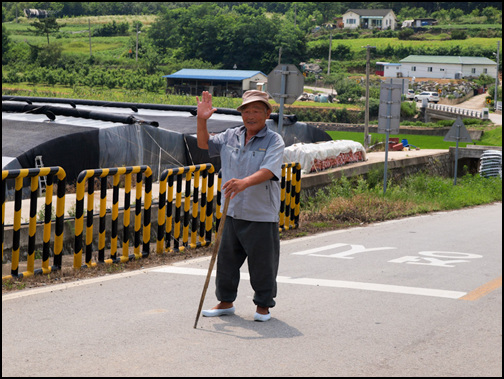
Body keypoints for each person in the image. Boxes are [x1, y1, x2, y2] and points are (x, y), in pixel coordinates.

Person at [196, 90, 285, 322]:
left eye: (256, 110)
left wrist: (244, 182)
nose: (250, 115)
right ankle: (225, 302)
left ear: (267, 113)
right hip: (231, 210)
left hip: (260, 213)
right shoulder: (230, 136)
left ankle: (263, 306)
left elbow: (269, 170)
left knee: (263, 264)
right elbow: (204, 143)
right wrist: (202, 119)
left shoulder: (274, 140)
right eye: (246, 111)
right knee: (225, 261)